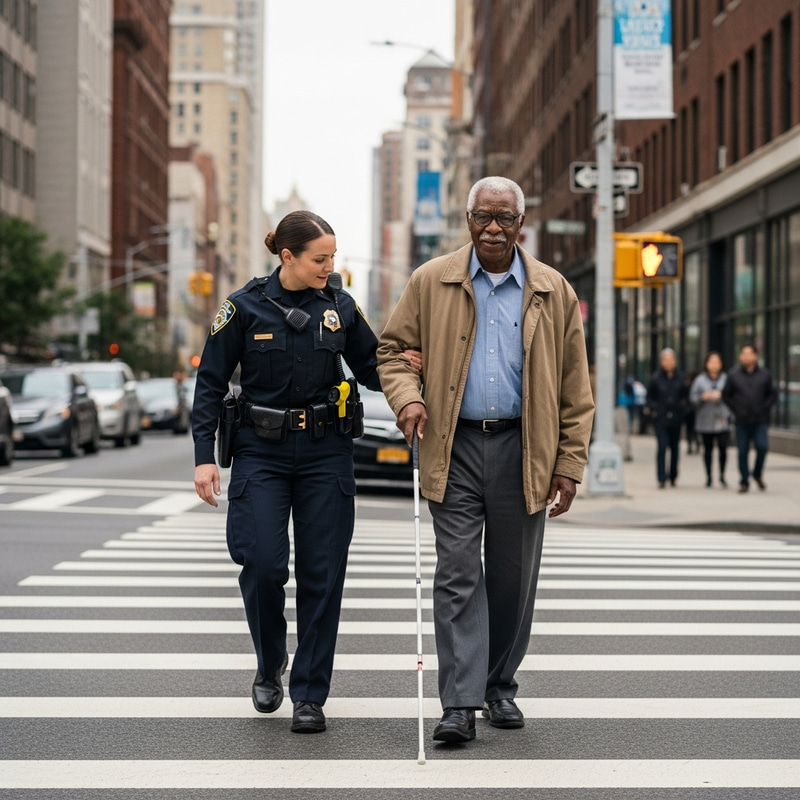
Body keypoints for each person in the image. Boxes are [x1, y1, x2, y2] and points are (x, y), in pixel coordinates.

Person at [377, 176, 594, 744]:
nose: (493, 229)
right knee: (457, 574)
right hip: (454, 444)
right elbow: (392, 351)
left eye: (505, 218)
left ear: (522, 224)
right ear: (467, 220)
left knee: (511, 579)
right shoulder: (431, 280)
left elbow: (576, 385)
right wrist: (409, 397)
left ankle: (499, 686)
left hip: (526, 447)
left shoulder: (553, 289)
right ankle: (459, 702)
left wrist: (569, 463)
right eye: (483, 217)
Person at [192, 210, 382, 734]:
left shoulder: (341, 307)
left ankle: (310, 694)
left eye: (333, 258)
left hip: (327, 454)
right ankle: (268, 660)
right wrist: (204, 456)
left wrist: (414, 371)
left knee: (323, 575)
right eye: (321, 259)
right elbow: (209, 383)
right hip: (261, 452)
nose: (330, 266)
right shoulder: (243, 307)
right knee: (263, 564)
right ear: (288, 257)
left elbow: (372, 368)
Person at [721, 343, 777, 493]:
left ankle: (757, 474)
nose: (746, 357)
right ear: (740, 356)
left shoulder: (765, 374)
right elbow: (726, 395)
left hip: (760, 420)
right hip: (741, 420)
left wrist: (764, 408)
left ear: (755, 356)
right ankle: (744, 481)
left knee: (762, 447)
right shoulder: (733, 375)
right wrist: (736, 409)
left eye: (749, 353)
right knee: (743, 451)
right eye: (743, 354)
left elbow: (772, 395)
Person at [646, 348, 687, 488]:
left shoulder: (681, 377)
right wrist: (655, 410)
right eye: (666, 360)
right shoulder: (655, 378)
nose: (669, 362)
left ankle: (674, 475)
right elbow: (649, 397)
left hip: (676, 418)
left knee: (675, 447)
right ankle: (661, 477)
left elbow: (685, 396)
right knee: (662, 446)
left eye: (671, 359)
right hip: (661, 418)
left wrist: (683, 409)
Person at [689, 352, 731, 488]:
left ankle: (722, 476)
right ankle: (708, 476)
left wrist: (721, 396)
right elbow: (692, 398)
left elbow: (733, 396)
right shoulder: (700, 380)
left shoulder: (726, 379)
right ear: (706, 364)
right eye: (711, 362)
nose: (714, 365)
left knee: (723, 447)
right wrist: (703, 397)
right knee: (707, 449)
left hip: (722, 418)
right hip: (705, 419)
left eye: (717, 362)